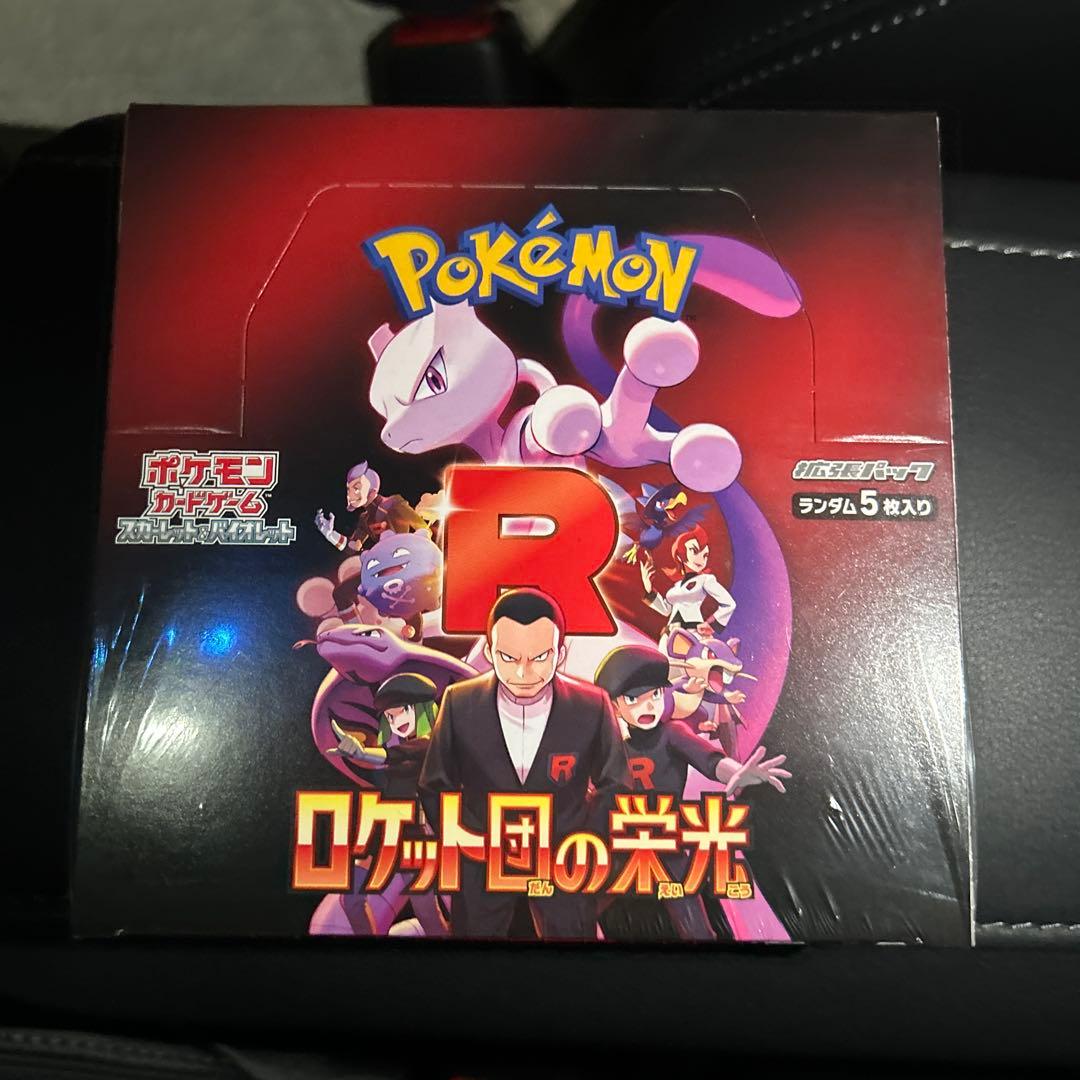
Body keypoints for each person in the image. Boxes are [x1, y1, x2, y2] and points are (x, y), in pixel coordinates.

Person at [419, 588, 631, 940]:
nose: (523, 672)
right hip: (482, 868)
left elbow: (617, 783)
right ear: (489, 652)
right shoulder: (459, 701)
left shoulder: (592, 705)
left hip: (565, 867)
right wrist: (468, 841)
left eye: (540, 657)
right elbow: (434, 784)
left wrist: (583, 842)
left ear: (561, 653)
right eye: (508, 657)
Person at [594, 644, 790, 941]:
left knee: (696, 928)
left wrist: (737, 772)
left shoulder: (671, 733)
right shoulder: (607, 743)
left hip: (665, 841)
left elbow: (709, 760)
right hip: (618, 842)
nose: (648, 706)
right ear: (615, 705)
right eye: (633, 699)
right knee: (574, 909)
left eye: (655, 695)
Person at [329, 672, 447, 937]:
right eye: (390, 717)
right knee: (351, 899)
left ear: (421, 709)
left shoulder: (430, 744)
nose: (396, 722)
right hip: (384, 828)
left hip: (414, 834)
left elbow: (394, 755)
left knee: (428, 915)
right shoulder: (405, 746)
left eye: (401, 712)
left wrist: (362, 752)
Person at [640, 523, 735, 641]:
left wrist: (712, 624)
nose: (701, 559)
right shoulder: (676, 586)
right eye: (694, 551)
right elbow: (666, 610)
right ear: (679, 555)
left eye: (705, 555)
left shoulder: (705, 580)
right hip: (670, 634)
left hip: (692, 633)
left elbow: (729, 603)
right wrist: (649, 589)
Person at [314, 461, 424, 553]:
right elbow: (353, 547)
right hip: (385, 565)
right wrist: (330, 535)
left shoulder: (394, 503)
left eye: (356, 488)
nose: (349, 495)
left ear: (372, 491)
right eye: (348, 489)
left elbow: (422, 527)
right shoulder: (365, 519)